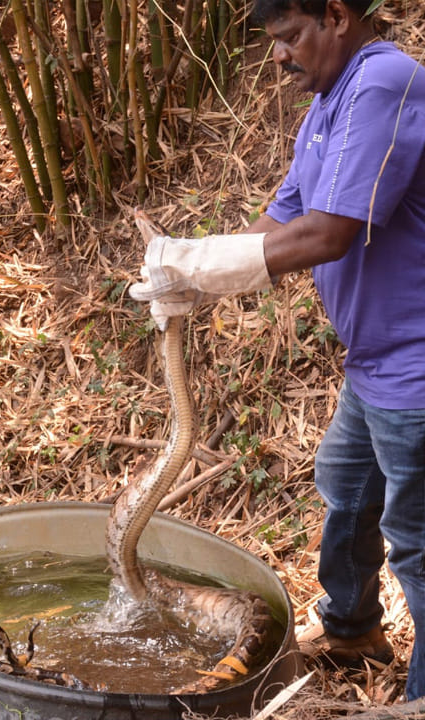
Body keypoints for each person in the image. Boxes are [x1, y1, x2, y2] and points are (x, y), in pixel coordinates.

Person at [127, 0, 425, 699]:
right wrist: (191, 278)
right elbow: (282, 220)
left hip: (415, 368)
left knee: (416, 542)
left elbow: (329, 234)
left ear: (338, 16)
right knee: (347, 487)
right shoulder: (326, 108)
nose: (280, 56)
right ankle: (352, 630)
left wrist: (197, 263)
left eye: (291, 36)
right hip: (373, 365)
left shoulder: (384, 83)